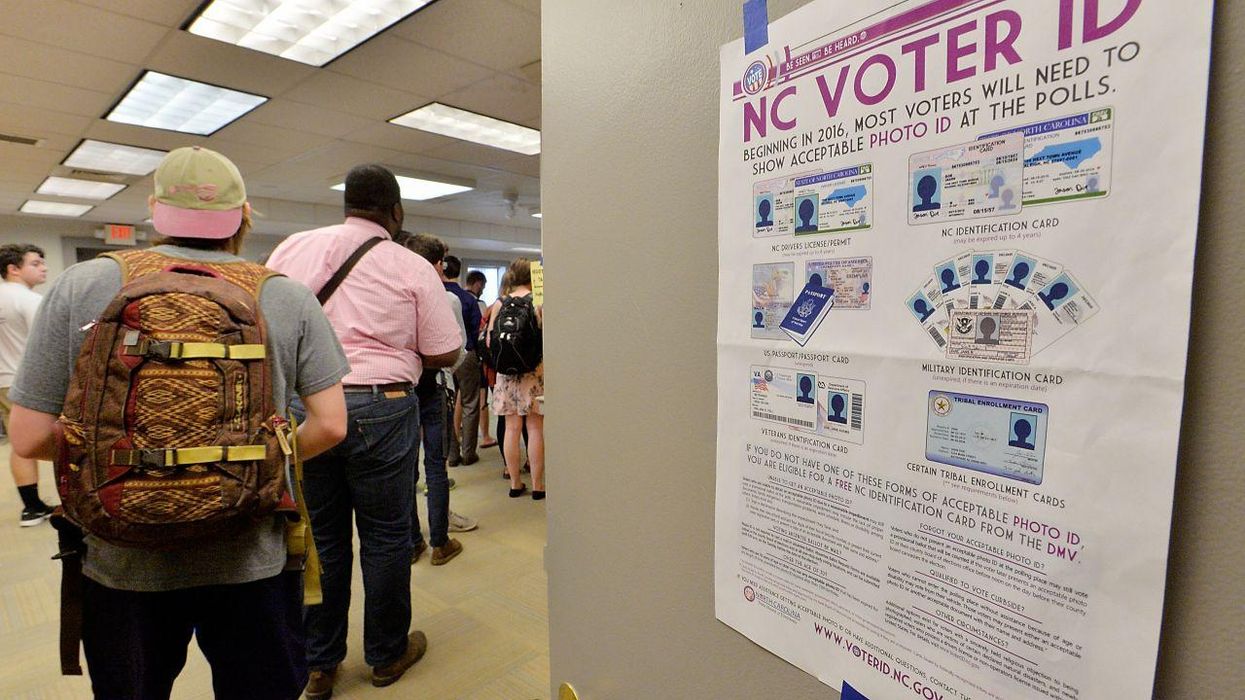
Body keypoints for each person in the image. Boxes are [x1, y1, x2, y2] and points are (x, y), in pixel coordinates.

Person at [8, 145, 350, 699]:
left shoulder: (81, 284)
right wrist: (257, 465)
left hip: (122, 557)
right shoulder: (284, 293)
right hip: (251, 552)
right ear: (243, 215)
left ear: (153, 210)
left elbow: (27, 435)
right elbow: (331, 426)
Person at [266, 164, 462, 698]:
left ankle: (319, 663)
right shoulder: (409, 263)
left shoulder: (290, 250)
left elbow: (267, 324)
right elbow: (446, 350)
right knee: (386, 535)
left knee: (322, 539)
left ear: (346, 203)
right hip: (383, 406)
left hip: (306, 409)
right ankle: (385, 654)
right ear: (396, 212)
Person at [399, 233, 477, 568]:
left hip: (399, 390)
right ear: (439, 264)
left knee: (404, 469)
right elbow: (457, 354)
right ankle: (440, 543)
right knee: (434, 466)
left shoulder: (392, 293)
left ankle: (413, 541)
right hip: (434, 390)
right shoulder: (446, 299)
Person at [0, 243, 52, 525]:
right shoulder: (30, 300)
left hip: (3, 381)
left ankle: (32, 506)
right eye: (35, 263)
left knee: (19, 443)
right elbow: (46, 345)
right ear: (13, 269)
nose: (43, 268)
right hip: (28, 383)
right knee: (57, 442)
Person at [487, 258, 545, 500]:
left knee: (511, 428)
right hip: (534, 372)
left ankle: (514, 483)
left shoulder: (500, 303)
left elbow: (490, 341)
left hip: (507, 375)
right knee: (535, 429)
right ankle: (538, 486)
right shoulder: (538, 302)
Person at [441, 256, 482, 466]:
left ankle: (451, 453)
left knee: (445, 405)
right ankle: (468, 453)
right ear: (459, 272)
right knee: (470, 403)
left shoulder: (433, 295)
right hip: (466, 354)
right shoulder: (467, 299)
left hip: (439, 356)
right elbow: (475, 329)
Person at [464, 270, 496, 449]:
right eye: (482, 286)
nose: (482, 290)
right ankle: (485, 436)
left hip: (458, 355)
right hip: (475, 356)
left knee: (462, 397)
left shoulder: (456, 299)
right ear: (477, 283)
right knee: (481, 397)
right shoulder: (478, 304)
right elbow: (482, 331)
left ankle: (460, 439)